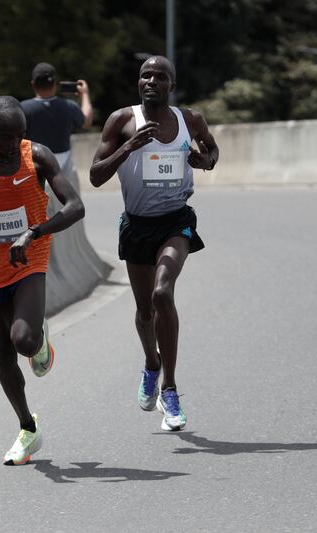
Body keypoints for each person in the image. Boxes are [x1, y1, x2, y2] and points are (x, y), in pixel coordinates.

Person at [0, 95, 85, 464]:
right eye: (5, 136)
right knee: (3, 357)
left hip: (30, 258)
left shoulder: (37, 156)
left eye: (19, 135)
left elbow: (75, 207)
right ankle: (27, 428)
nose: (12, 145)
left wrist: (35, 232)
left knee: (22, 340)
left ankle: (38, 340)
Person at [89, 56, 219, 431]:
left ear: (171, 85)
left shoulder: (189, 120)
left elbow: (212, 151)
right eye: (146, 75)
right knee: (145, 311)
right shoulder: (121, 121)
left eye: (160, 76)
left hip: (176, 221)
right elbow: (96, 176)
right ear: (139, 82)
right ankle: (151, 362)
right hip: (137, 225)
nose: (151, 81)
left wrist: (204, 160)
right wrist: (127, 147)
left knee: (164, 294)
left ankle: (171, 390)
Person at [20, 62, 93, 177]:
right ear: (55, 84)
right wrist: (84, 94)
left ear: (33, 84)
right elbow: (86, 122)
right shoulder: (69, 106)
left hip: (33, 165)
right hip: (64, 168)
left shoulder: (22, 108)